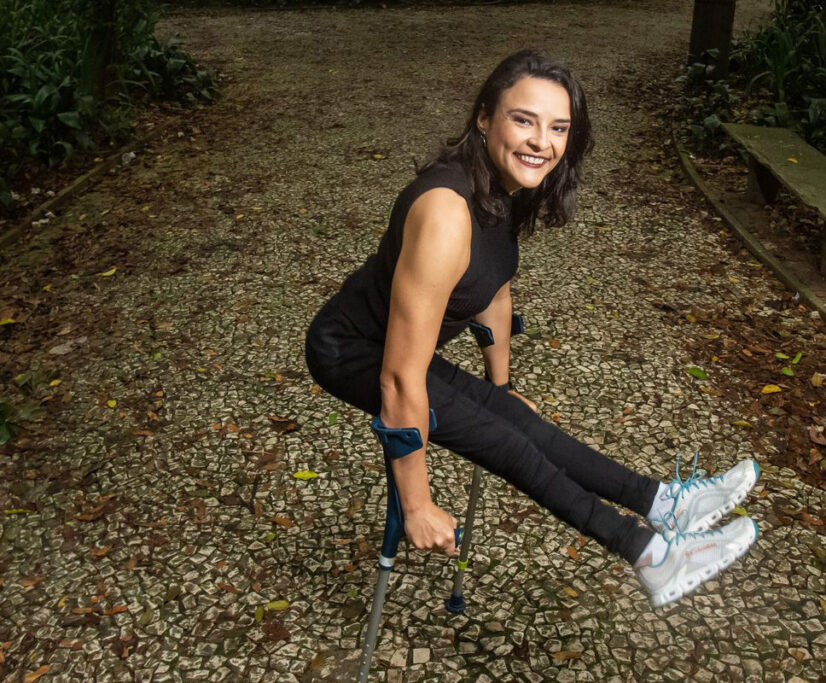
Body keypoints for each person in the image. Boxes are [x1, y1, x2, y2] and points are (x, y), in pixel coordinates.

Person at [304, 48, 761, 609]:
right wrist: (416, 503)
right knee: (510, 446)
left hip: (397, 349)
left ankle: (665, 503)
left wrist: (501, 387)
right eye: (523, 120)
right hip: (350, 350)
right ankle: (653, 557)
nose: (541, 142)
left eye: (558, 127)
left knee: (520, 422)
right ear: (483, 117)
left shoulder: (506, 188)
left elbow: (494, 286)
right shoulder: (446, 215)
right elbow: (400, 379)